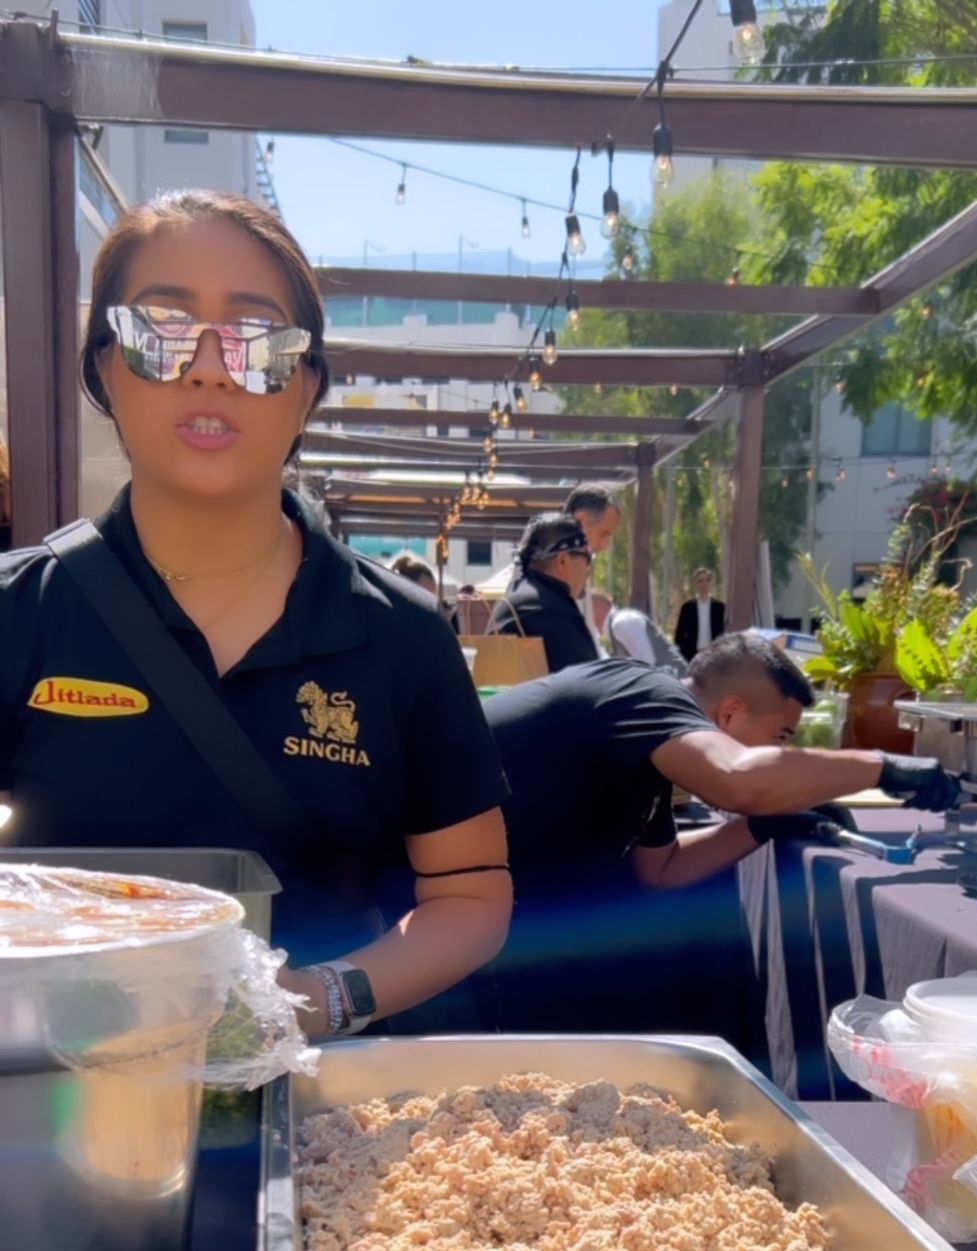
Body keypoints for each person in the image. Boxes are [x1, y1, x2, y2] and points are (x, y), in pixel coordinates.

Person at [0, 189, 511, 1043]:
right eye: (161, 329)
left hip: (322, 1100)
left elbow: (471, 892)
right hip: (60, 1094)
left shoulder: (404, 635)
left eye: (257, 340)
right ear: (104, 367)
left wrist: (313, 1002)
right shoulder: (21, 611)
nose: (208, 368)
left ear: (307, 387)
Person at [481, 637, 959, 1029]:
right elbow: (739, 777)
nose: (781, 753)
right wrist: (883, 767)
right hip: (452, 921)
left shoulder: (645, 747)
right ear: (729, 713)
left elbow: (660, 870)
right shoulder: (641, 690)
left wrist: (764, 825)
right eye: (780, 738)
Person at [487, 513, 597, 673]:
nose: (589, 569)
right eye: (587, 558)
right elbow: (589, 679)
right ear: (562, 561)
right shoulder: (548, 610)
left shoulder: (525, 597)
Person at [564, 482, 621, 646]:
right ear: (581, 520)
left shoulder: (580, 568)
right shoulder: (550, 569)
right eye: (603, 534)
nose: (605, 545)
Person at [675, 566, 726, 664]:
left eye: (707, 580)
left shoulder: (720, 607)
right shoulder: (687, 607)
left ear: (711, 583)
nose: (704, 584)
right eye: (700, 581)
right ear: (695, 584)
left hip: (714, 655)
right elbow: (679, 634)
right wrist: (683, 653)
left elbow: (725, 632)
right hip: (692, 656)